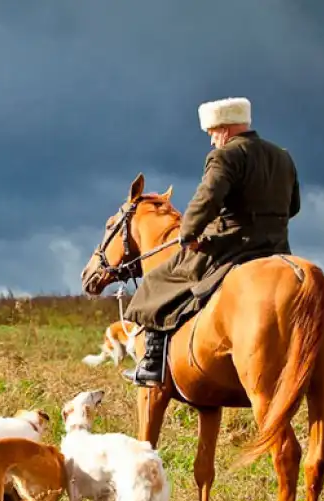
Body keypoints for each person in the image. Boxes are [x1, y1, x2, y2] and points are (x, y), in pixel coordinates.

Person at [122, 96, 301, 387]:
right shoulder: (282, 156)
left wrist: (189, 234)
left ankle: (152, 364)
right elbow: (293, 206)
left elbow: (208, 198)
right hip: (278, 248)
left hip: (231, 247)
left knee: (157, 280)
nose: (211, 142)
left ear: (225, 128)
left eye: (212, 134)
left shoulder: (225, 156)